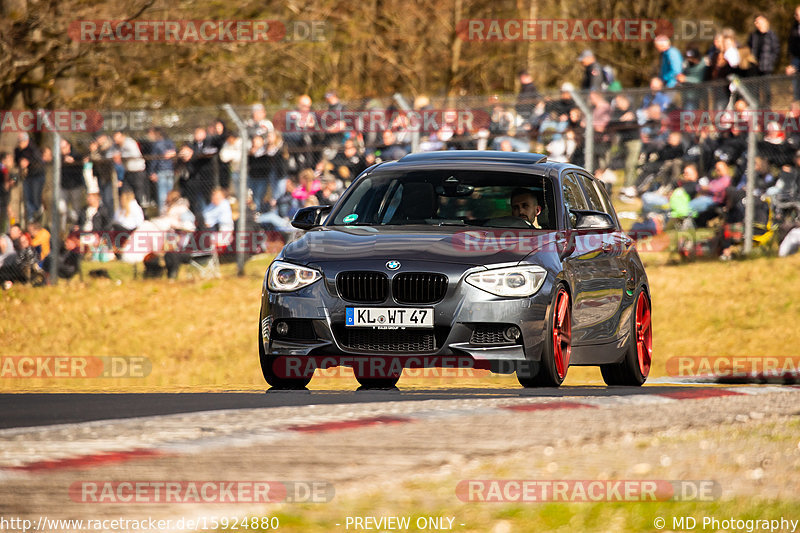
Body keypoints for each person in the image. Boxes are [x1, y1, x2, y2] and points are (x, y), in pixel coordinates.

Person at [14, 133, 46, 222]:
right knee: (27, 198)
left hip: (37, 176)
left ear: (26, 141)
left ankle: (38, 214)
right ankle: (30, 218)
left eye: (21, 142)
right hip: (26, 177)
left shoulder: (33, 149)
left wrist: (29, 163)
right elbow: (16, 162)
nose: (20, 144)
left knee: (36, 197)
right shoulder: (18, 150)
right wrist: (20, 163)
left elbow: (40, 162)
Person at [113, 131, 148, 207]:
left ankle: (142, 212)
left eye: (117, 137)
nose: (115, 140)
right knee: (125, 191)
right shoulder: (117, 146)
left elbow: (134, 155)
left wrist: (121, 156)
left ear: (122, 136)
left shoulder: (129, 143)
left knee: (138, 193)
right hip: (128, 172)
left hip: (137, 171)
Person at [146, 127, 177, 213]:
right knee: (170, 194)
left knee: (162, 196)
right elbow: (174, 152)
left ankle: (163, 213)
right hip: (170, 170)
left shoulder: (157, 144)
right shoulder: (170, 142)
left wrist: (151, 172)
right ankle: (170, 212)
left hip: (161, 171)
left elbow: (154, 159)